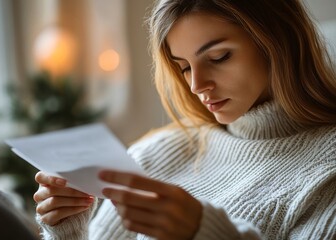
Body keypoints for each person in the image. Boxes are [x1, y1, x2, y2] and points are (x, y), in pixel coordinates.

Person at [33, 0, 336, 239]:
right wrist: (68, 231)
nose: (197, 85)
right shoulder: (158, 152)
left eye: (218, 57)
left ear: (277, 41)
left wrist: (204, 233)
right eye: (184, 67)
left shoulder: (326, 164)